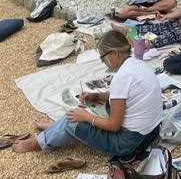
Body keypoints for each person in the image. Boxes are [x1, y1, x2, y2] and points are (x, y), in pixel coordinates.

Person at [12, 31, 163, 156]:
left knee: (74, 120)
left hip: (127, 143)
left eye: (103, 57)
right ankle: (56, 128)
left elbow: (114, 125)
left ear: (114, 53)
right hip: (151, 133)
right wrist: (97, 96)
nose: (103, 62)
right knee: (88, 111)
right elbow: (126, 97)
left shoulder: (122, 78)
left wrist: (86, 117)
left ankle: (38, 142)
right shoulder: (138, 65)